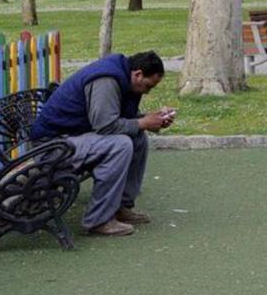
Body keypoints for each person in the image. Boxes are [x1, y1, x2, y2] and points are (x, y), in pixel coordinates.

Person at [30, 50, 175, 236]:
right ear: (138, 74)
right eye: (148, 86)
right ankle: (98, 220)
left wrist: (151, 120)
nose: (147, 91)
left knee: (137, 138)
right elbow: (105, 126)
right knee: (120, 145)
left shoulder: (124, 77)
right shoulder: (106, 80)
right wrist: (142, 122)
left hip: (72, 138)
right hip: (53, 146)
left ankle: (121, 206)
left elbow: (121, 119)